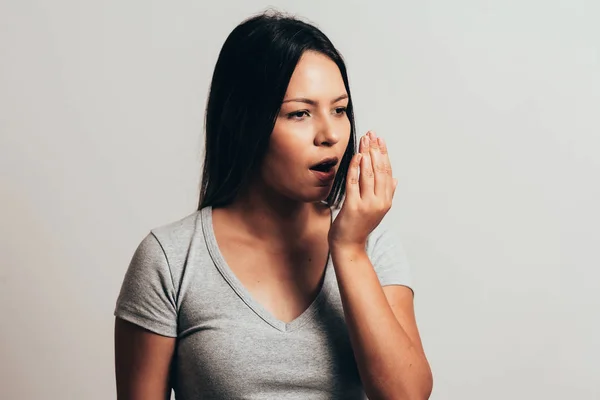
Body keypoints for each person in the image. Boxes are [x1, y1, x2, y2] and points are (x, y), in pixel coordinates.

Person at [113, 9, 432, 400]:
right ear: (244, 122)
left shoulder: (373, 247)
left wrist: (349, 250)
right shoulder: (170, 258)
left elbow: (407, 395)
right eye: (300, 113)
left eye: (340, 109)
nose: (331, 134)